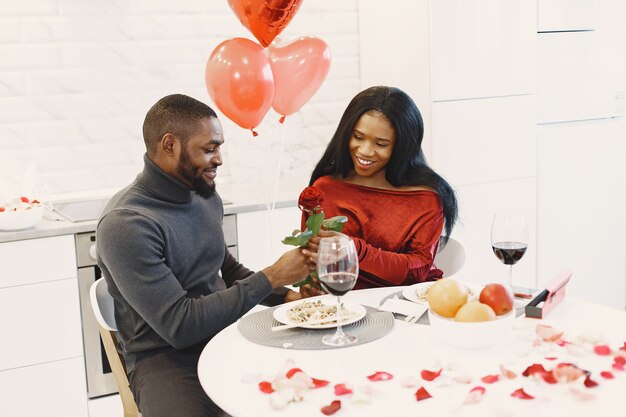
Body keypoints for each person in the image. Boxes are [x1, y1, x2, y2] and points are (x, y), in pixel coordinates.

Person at [96, 94, 318, 417]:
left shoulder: (203, 196)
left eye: (219, 147)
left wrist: (288, 297)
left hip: (222, 338)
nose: (219, 159)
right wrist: (272, 276)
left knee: (306, 396)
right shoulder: (125, 224)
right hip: (165, 361)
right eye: (209, 148)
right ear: (170, 146)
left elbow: (226, 267)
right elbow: (180, 325)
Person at [304, 86, 458, 289]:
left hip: (406, 304)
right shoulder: (324, 189)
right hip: (342, 306)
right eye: (358, 137)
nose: (365, 151)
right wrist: (310, 285)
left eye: (381, 144)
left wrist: (356, 250)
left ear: (402, 146)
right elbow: (313, 262)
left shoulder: (425, 197)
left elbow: (417, 271)